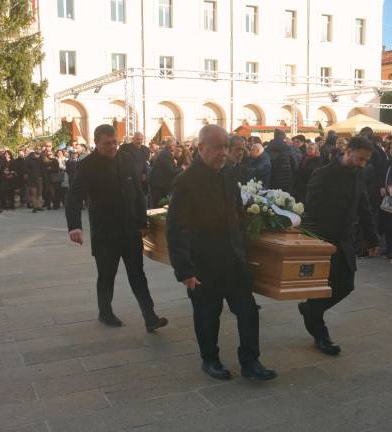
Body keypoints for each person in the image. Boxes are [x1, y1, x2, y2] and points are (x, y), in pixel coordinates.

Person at [167, 124, 276, 381]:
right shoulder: (185, 182)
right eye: (218, 147)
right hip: (204, 263)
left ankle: (251, 361)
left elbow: (236, 212)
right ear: (201, 147)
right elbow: (176, 228)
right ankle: (210, 359)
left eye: (225, 147)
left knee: (248, 311)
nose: (223, 152)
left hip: (234, 260)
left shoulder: (229, 173)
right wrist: (184, 270)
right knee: (207, 316)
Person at [66, 124, 168, 331]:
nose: (113, 147)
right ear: (96, 143)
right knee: (106, 276)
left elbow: (138, 193)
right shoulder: (87, 166)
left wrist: (142, 222)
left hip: (130, 230)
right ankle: (105, 312)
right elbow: (74, 197)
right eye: (108, 143)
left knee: (138, 275)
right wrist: (75, 226)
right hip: (105, 233)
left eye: (115, 142)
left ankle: (150, 317)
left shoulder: (126, 158)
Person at [298, 137, 377, 355]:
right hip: (323, 240)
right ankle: (320, 334)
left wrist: (372, 239)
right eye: (361, 158)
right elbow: (311, 209)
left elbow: (364, 206)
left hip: (345, 240)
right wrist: (314, 242)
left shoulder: (359, 174)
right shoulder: (323, 173)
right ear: (347, 151)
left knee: (346, 285)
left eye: (366, 160)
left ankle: (310, 310)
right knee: (322, 287)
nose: (363, 163)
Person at [148, 138, 181, 207]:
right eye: (175, 146)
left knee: (158, 204)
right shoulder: (166, 155)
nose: (175, 148)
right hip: (159, 185)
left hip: (158, 184)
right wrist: (181, 168)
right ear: (171, 146)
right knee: (159, 205)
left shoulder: (164, 153)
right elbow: (171, 171)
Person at [24, 146, 45, 213]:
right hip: (32, 178)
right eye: (37, 149)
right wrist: (30, 173)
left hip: (40, 177)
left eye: (39, 149)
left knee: (40, 193)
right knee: (34, 193)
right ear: (34, 150)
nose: (38, 150)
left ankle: (39, 206)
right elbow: (26, 168)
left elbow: (44, 166)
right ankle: (35, 207)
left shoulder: (42, 157)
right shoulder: (29, 158)